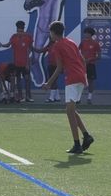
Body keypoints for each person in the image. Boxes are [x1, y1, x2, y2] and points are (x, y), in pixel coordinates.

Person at [40, 21, 94, 154]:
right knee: (72, 109)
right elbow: (82, 59)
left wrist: (48, 83)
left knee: (69, 111)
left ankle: (77, 144)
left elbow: (59, 68)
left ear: (53, 33)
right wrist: (84, 75)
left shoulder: (57, 46)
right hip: (80, 77)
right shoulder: (71, 41)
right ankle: (86, 136)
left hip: (72, 78)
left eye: (50, 32)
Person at [0, 20, 35, 103]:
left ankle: (28, 97)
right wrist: (1, 45)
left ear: (23, 29)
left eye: (21, 31)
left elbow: (31, 48)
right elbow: (8, 44)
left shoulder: (28, 37)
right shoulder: (14, 37)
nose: (19, 33)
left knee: (27, 79)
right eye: (18, 31)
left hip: (25, 63)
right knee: (18, 80)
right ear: (16, 29)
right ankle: (20, 96)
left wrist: (31, 60)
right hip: (16, 63)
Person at [79, 26, 101, 105]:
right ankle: (78, 98)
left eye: (88, 33)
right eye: (85, 33)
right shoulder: (82, 42)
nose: (86, 34)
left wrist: (90, 59)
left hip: (91, 65)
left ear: (91, 34)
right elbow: (77, 52)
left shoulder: (95, 44)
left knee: (91, 82)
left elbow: (99, 56)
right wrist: (81, 59)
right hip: (82, 65)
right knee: (80, 81)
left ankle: (89, 98)